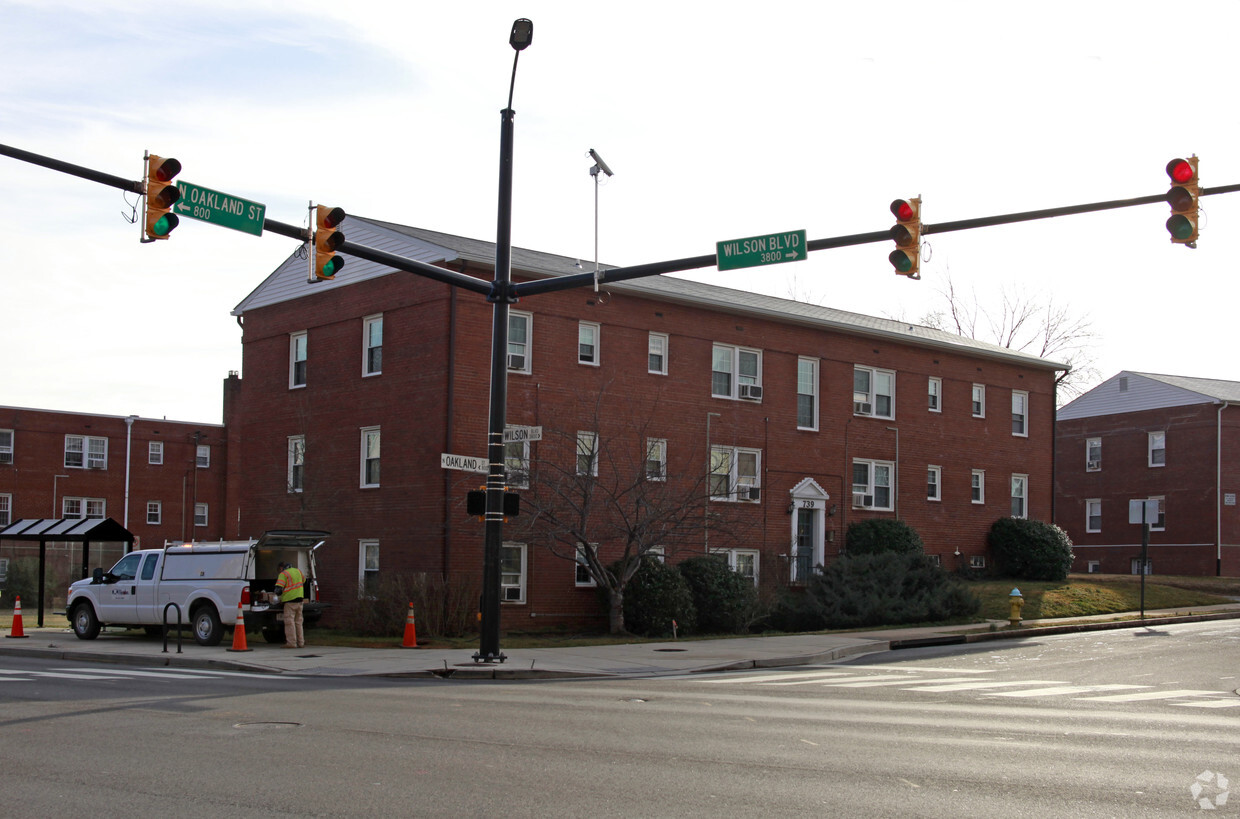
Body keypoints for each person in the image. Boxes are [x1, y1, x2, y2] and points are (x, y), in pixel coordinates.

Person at [273, 561, 306, 648]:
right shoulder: (298, 571)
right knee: (298, 622)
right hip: (300, 600)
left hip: (290, 601)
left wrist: (276, 596)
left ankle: (291, 643)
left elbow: (278, 589)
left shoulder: (283, 574)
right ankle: (301, 642)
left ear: (281, 568)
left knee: (289, 622)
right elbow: (303, 580)